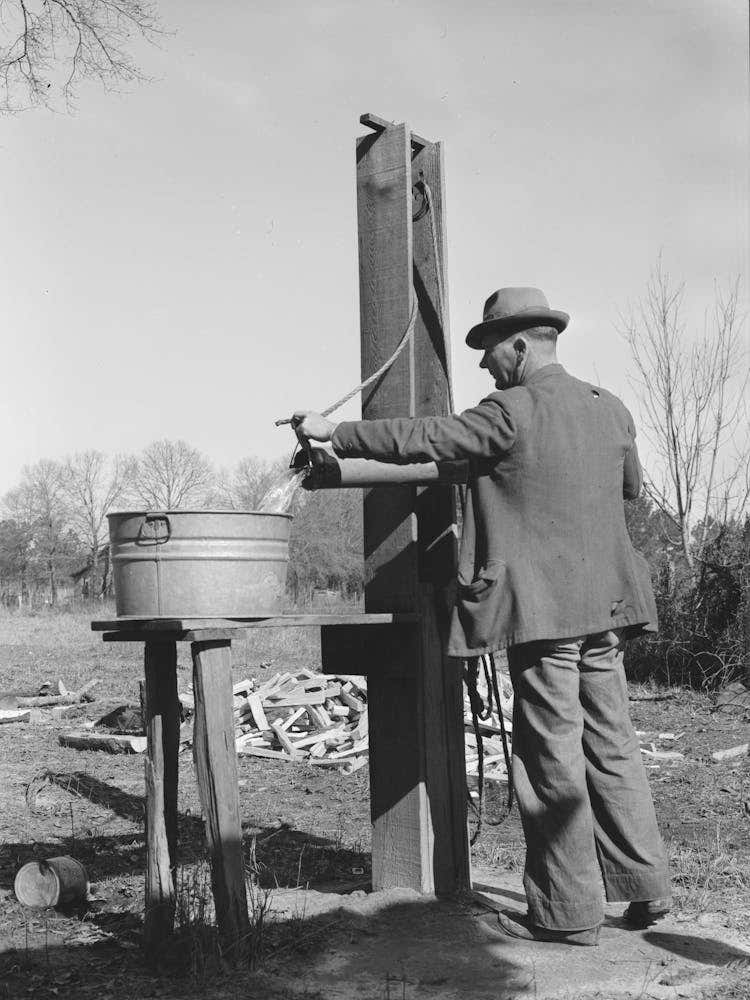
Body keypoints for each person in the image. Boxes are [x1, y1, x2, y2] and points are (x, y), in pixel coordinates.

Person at [292, 286, 672, 947]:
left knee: (551, 755)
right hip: (607, 610)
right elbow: (631, 488)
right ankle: (647, 890)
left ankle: (566, 914)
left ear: (522, 345)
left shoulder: (508, 413)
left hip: (542, 614)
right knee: (612, 746)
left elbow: (422, 437)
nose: (483, 366)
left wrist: (337, 431)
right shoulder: (611, 409)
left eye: (489, 351)